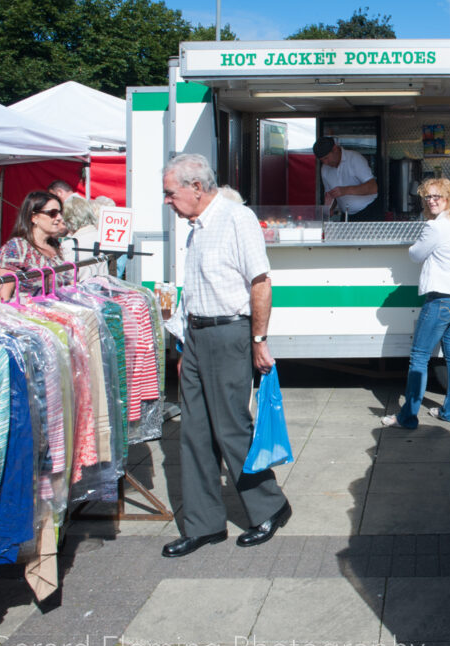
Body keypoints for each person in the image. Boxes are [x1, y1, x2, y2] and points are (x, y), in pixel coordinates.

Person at [160, 153, 290, 558]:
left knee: (230, 427)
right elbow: (197, 288)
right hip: (198, 336)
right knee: (194, 433)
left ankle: (269, 506)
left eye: (170, 193)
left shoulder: (236, 218)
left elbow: (261, 283)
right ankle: (204, 524)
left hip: (229, 333)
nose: (167, 201)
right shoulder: (196, 227)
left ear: (196, 187)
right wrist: (184, 343)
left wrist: (258, 341)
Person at [381, 178, 450, 429]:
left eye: (437, 196)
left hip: (441, 299)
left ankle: (407, 417)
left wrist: (415, 244)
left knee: (419, 357)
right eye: (427, 197)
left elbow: (415, 254)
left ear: (448, 199)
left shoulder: (435, 227)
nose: (431, 201)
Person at [0, 191, 74, 300]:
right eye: (53, 213)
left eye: (60, 212)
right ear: (34, 217)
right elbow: (3, 297)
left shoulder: (56, 245)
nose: (59, 217)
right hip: (28, 314)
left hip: (60, 312)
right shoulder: (17, 248)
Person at [313, 136, 381, 221]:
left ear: (335, 149)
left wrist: (345, 190)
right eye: (322, 160)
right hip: (346, 214)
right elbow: (331, 195)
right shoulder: (325, 169)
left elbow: (373, 188)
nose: (325, 162)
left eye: (326, 158)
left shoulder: (354, 158)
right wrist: (330, 209)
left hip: (369, 211)